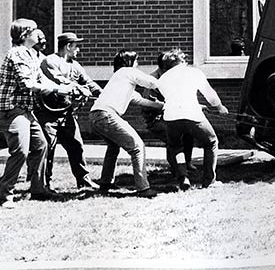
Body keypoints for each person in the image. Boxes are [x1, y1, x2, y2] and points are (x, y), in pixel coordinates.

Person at [0, 19, 70, 208]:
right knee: (20, 152)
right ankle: (5, 194)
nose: (38, 33)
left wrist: (65, 88)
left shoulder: (32, 55)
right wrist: (56, 91)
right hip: (12, 109)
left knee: (40, 145)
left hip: (26, 111)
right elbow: (27, 84)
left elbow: (41, 79)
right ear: (25, 35)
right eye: (34, 30)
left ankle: (38, 190)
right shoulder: (17, 54)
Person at [89, 50, 163, 198]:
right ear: (130, 62)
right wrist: (171, 86)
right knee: (137, 147)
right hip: (107, 114)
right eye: (136, 61)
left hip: (95, 115)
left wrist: (164, 106)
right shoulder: (127, 71)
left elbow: (141, 101)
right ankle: (143, 189)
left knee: (113, 146)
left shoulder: (120, 80)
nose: (137, 64)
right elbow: (151, 82)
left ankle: (105, 183)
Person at [36, 32, 101, 190]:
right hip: (48, 113)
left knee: (76, 145)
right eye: (76, 46)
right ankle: (44, 184)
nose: (78, 49)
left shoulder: (75, 65)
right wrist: (78, 88)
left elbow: (89, 82)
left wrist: (103, 94)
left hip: (66, 113)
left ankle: (83, 180)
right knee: (48, 148)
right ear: (68, 46)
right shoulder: (50, 61)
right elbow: (59, 79)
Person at [156, 48, 228, 189]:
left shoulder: (163, 79)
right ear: (182, 60)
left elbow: (172, 97)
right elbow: (210, 94)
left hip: (171, 116)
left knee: (176, 147)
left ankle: (183, 177)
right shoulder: (194, 72)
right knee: (211, 142)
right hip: (192, 115)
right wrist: (220, 107)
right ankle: (209, 181)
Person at [142, 51, 195, 172]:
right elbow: (147, 105)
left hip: (172, 114)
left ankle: (187, 162)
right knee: (173, 135)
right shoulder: (152, 80)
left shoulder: (173, 77)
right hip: (155, 119)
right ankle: (176, 168)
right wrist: (167, 106)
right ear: (162, 68)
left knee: (188, 130)